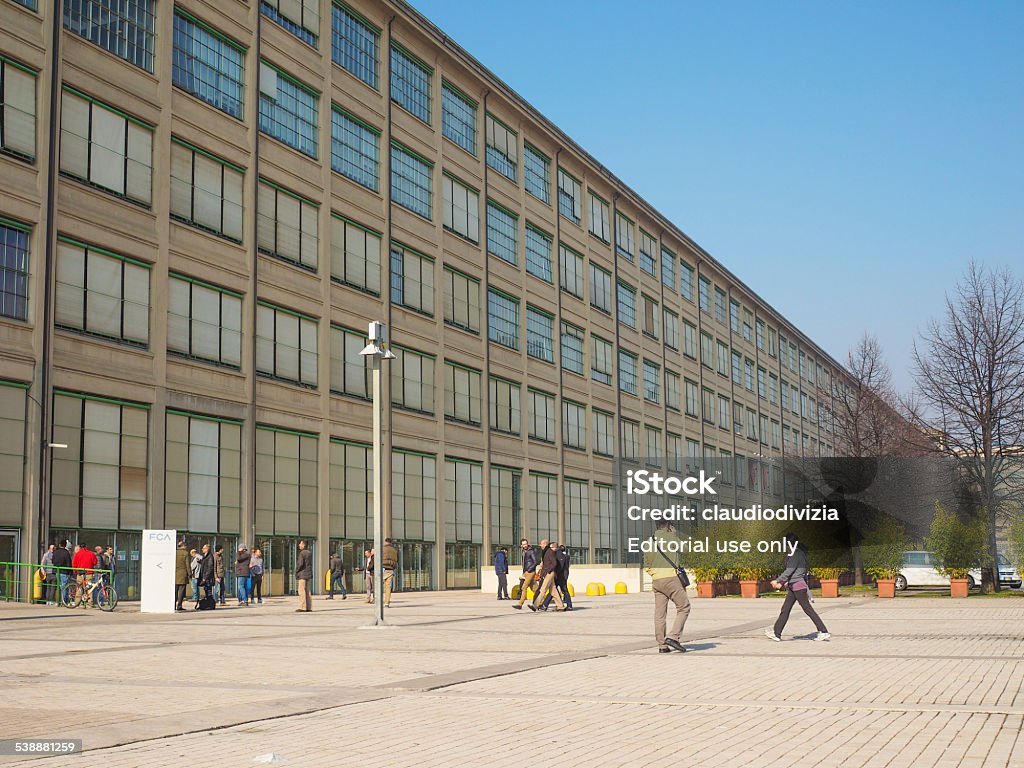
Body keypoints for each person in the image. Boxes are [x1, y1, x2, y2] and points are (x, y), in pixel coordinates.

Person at [767, 533, 830, 642]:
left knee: (808, 610)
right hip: (794, 586)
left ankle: (823, 631)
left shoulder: (796, 554)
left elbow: (789, 571)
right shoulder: (797, 553)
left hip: (798, 587)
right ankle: (776, 633)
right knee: (785, 609)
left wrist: (778, 580)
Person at [643, 520, 691, 653]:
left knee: (660, 613)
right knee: (684, 606)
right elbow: (686, 550)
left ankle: (662, 645)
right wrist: (675, 535)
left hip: (657, 580)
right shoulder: (671, 538)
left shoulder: (648, 543)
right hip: (671, 579)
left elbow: (646, 565)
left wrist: (655, 573)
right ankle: (673, 637)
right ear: (669, 527)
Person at [532, 539, 565, 612]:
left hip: (549, 573)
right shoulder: (548, 552)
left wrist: (548, 571)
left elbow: (554, 563)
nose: (540, 546)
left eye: (541, 544)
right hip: (548, 572)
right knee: (553, 591)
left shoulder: (550, 552)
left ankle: (536, 605)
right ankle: (560, 606)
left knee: (543, 589)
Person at [544, 545, 572, 610]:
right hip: (564, 575)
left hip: (559, 576)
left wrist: (555, 574)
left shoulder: (559, 555)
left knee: (553, 590)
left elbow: (559, 566)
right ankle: (569, 605)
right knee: (563, 590)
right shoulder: (567, 556)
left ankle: (545, 604)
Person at [513, 539, 538, 610]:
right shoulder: (524, 552)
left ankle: (520, 604)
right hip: (526, 572)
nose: (525, 545)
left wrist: (529, 569)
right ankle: (541, 602)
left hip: (530, 571)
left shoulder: (531, 551)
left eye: (526, 544)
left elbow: (535, 561)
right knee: (535, 588)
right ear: (521, 545)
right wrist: (524, 573)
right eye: (523, 544)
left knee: (524, 587)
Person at [295, 540, 313, 612]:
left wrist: (296, 571)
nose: (299, 545)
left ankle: (302, 607)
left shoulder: (302, 553)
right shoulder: (309, 553)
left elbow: (300, 564)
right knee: (308, 591)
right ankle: (308, 607)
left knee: (301, 591)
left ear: (304, 545)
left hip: (302, 574)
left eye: (300, 544)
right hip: (308, 574)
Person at [381, 538, 399, 608]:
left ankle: (377, 600)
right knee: (388, 587)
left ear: (385, 542)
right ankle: (387, 603)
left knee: (378, 586)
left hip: (382, 568)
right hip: (391, 569)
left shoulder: (382, 549)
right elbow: (397, 560)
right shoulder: (395, 550)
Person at [174, 539, 189, 612]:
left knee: (175, 591)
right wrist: (190, 574)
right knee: (181, 591)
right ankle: (179, 605)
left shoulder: (174, 553)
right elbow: (187, 565)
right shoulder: (185, 553)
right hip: (183, 574)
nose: (186, 547)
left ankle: (173, 605)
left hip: (174, 574)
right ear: (183, 546)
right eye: (185, 545)